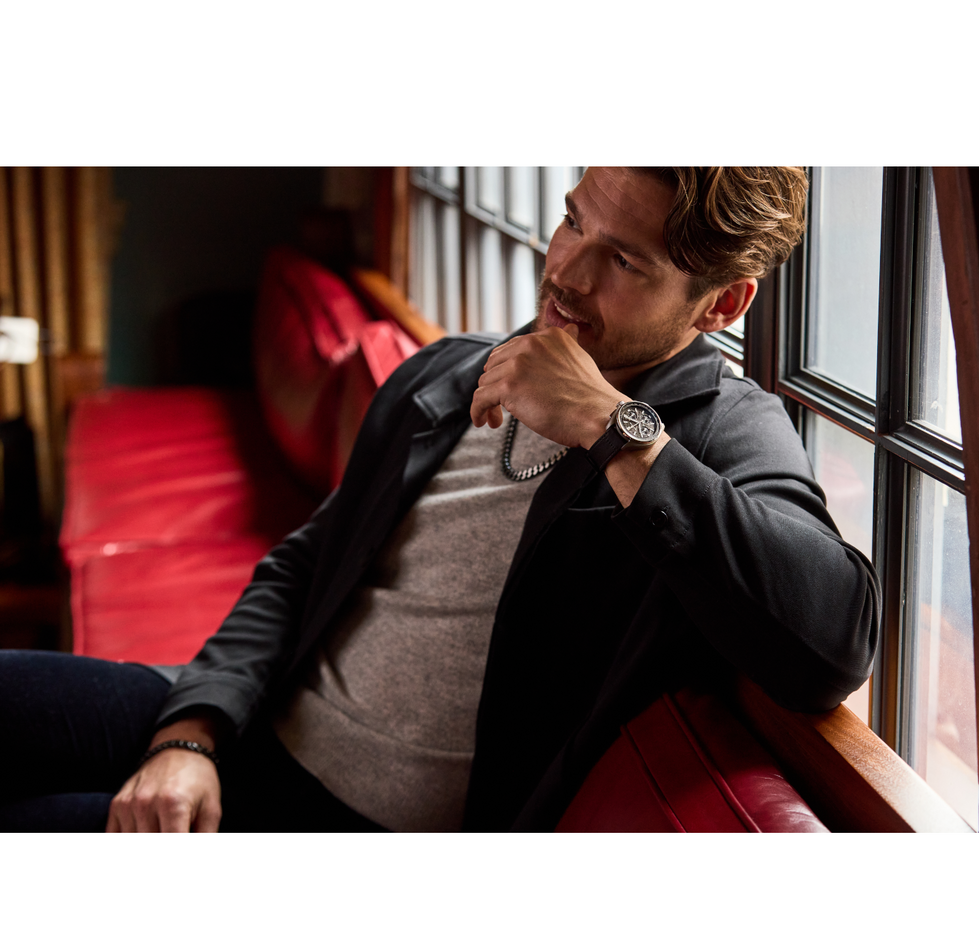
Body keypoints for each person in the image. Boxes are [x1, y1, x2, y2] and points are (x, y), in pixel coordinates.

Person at [0, 167, 880, 832]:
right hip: (246, 719)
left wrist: (608, 425)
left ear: (720, 305)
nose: (567, 273)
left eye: (623, 260)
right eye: (574, 220)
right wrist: (190, 735)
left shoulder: (720, 429)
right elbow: (305, 563)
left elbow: (834, 638)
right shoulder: (455, 368)